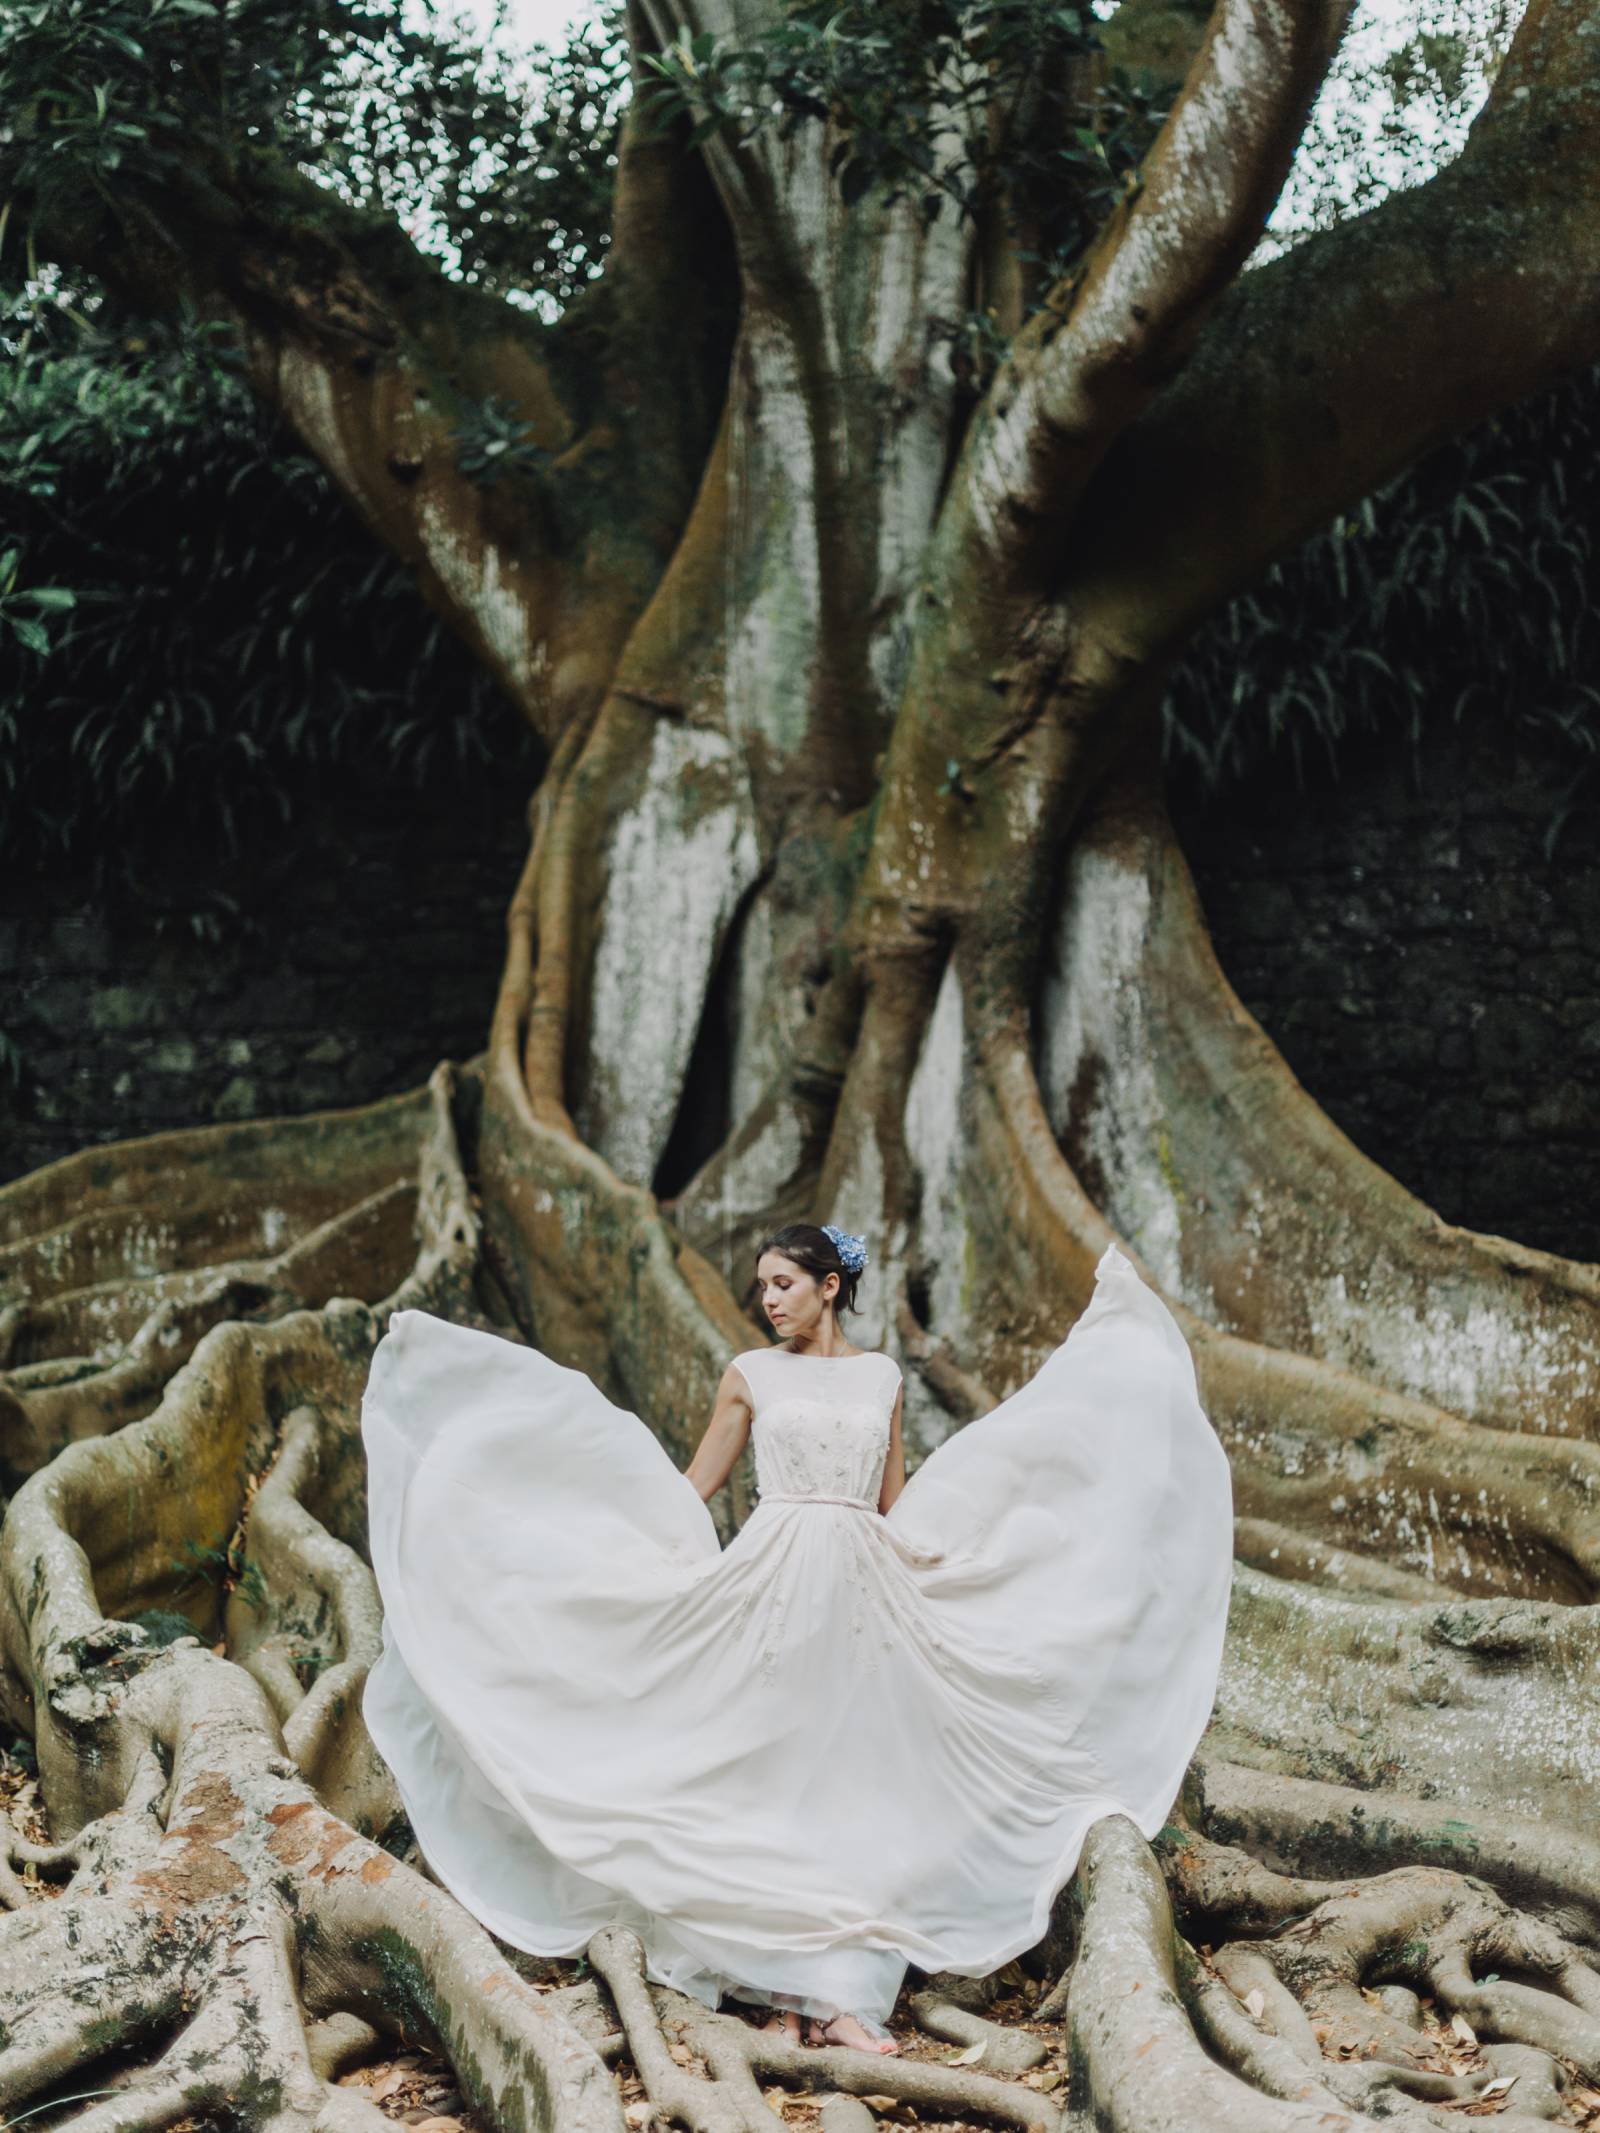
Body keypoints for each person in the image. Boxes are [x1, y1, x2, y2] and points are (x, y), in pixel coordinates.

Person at [359, 1220, 1234, 2057]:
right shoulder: (749, 1373)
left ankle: (839, 1997)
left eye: (782, 1284)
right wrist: (609, 1549)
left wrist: (959, 1554)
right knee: (768, 1782)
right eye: (761, 1287)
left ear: (828, 1286)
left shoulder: (883, 1376)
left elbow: (893, 1499)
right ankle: (777, 1990)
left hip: (864, 1591)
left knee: (851, 1785)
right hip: (771, 1587)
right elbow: (692, 1485)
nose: (768, 1299)